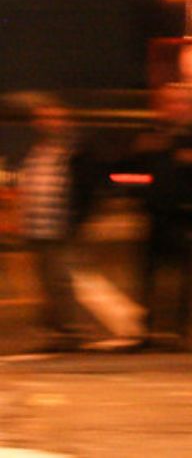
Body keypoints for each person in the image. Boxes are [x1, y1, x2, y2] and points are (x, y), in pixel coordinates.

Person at [132, 84, 192, 350]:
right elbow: (134, 167)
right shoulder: (155, 131)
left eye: (180, 102)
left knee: (186, 278)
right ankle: (148, 331)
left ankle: (180, 333)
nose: (173, 107)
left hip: (188, 214)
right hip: (156, 214)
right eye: (169, 102)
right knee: (149, 276)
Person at [18, 98, 99, 351]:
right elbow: (30, 187)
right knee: (46, 283)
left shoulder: (74, 151)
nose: (46, 123)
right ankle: (54, 331)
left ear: (65, 120)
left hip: (62, 226)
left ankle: (70, 332)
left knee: (61, 280)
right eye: (42, 118)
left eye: (52, 117)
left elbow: (88, 187)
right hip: (38, 228)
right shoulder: (38, 151)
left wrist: (80, 219)